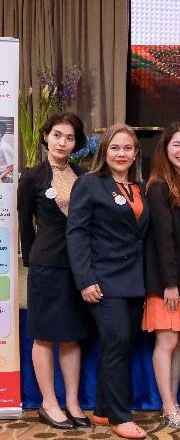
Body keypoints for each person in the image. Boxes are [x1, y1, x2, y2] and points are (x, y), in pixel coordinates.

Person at [67, 124, 150, 439]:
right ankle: (119, 416)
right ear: (104, 150)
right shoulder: (89, 184)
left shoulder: (139, 186)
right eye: (115, 148)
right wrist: (85, 280)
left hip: (134, 282)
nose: (121, 154)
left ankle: (102, 410)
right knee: (116, 342)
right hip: (102, 281)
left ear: (135, 153)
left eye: (127, 148)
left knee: (122, 344)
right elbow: (76, 234)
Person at [18, 113, 90, 429]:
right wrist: (32, 262)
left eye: (69, 137)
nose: (62, 142)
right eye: (57, 135)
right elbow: (25, 226)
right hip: (46, 266)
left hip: (78, 267)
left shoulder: (84, 176)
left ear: (76, 143)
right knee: (45, 336)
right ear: (46, 136)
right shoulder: (32, 177)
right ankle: (49, 403)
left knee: (72, 336)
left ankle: (72, 402)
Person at [142, 122, 180, 429]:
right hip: (167, 284)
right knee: (166, 342)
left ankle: (174, 402)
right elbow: (163, 239)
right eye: (176, 145)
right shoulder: (159, 186)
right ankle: (167, 406)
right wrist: (170, 284)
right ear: (164, 150)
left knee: (178, 343)